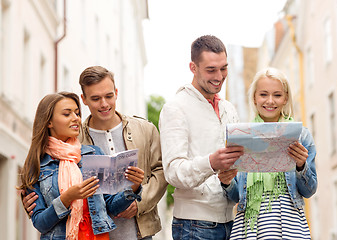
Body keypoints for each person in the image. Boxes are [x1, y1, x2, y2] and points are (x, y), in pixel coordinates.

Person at [23, 66, 167, 240]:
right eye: (96, 98)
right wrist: (63, 199)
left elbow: (159, 172)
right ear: (84, 99)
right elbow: (40, 218)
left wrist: (136, 192)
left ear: (116, 92)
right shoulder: (61, 149)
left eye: (108, 96)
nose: (104, 104)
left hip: (134, 233)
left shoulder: (138, 131)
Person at [19, 92, 144, 240]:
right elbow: (40, 223)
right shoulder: (37, 164)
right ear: (49, 122)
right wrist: (67, 198)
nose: (76, 119)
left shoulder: (94, 153)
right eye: (67, 114)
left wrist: (134, 186)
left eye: (77, 113)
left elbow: (111, 207)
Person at [158, 35, 244, 240]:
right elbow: (172, 172)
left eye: (224, 68)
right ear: (193, 67)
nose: (219, 76)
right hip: (193, 227)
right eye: (211, 70)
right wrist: (211, 163)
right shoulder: (175, 108)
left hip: (231, 223)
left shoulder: (229, 108)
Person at [219, 67, 317, 239]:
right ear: (255, 98)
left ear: (285, 98)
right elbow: (236, 196)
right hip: (249, 227)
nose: (270, 101)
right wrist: (227, 183)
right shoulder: (241, 136)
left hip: (290, 226)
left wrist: (301, 166)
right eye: (263, 94)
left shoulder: (301, 135)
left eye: (277, 95)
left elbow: (309, 191)